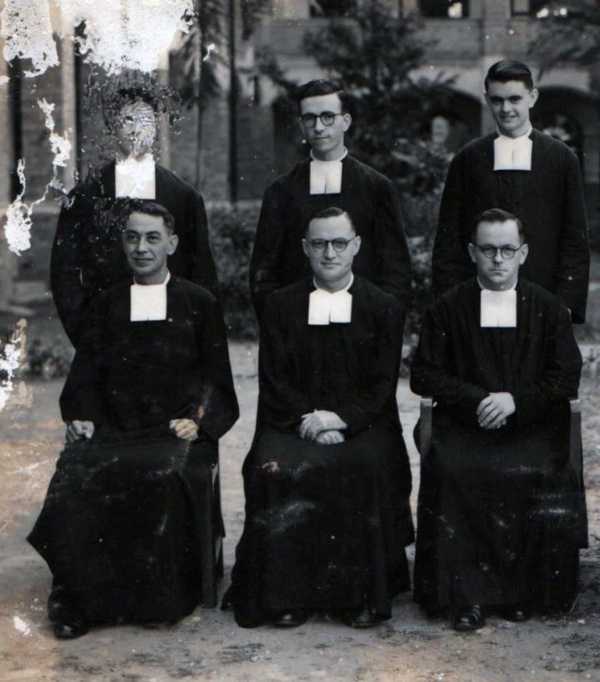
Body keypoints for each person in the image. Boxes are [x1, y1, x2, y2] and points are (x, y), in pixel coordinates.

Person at [29, 200, 239, 639]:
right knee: (76, 471)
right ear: (123, 245)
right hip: (115, 429)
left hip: (172, 432)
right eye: (133, 238)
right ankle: (78, 600)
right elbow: (85, 377)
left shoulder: (198, 303)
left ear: (171, 244)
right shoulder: (105, 305)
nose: (142, 248)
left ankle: (153, 600)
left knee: (161, 473)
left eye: (152, 238)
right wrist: (83, 417)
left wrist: (198, 420)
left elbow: (216, 381)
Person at [226, 207, 412, 629]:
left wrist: (340, 419)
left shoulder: (383, 306)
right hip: (294, 420)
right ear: (305, 249)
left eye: (339, 243)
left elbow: (381, 386)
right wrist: (310, 420)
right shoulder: (279, 305)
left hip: (363, 424)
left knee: (363, 467)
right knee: (274, 468)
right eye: (320, 244)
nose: (330, 253)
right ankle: (286, 595)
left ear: (356, 247)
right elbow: (275, 380)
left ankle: (360, 596)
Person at [411, 208, 586, 631]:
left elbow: (566, 376)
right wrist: (476, 400)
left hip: (531, 426)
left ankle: (521, 594)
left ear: (523, 253)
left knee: (537, 470)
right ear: (472, 252)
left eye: (507, 250)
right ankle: (466, 597)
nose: (498, 259)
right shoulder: (446, 309)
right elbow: (424, 374)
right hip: (465, 427)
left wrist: (515, 402)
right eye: (488, 249)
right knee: (455, 471)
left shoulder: (549, 308)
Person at [50, 86, 218, 346]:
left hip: (172, 338)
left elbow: (202, 276)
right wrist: (87, 337)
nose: (136, 129)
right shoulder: (84, 198)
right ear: (111, 126)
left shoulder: (184, 197)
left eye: (145, 121)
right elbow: (65, 276)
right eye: (127, 120)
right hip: (106, 337)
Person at [432, 60, 590, 322]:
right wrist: (450, 303)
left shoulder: (560, 158)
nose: (506, 109)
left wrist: (565, 305)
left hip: (544, 299)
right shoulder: (469, 158)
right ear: (486, 100)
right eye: (497, 100)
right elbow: (448, 239)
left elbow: (575, 238)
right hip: (476, 300)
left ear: (532, 97)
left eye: (515, 99)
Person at [249, 80, 412, 314]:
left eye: (327, 117)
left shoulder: (376, 187)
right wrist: (279, 321)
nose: (318, 127)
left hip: (362, 322)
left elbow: (396, 271)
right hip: (296, 322)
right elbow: (264, 272)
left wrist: (381, 320)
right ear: (301, 125)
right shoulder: (281, 191)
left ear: (345, 121)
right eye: (310, 118)